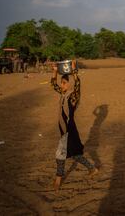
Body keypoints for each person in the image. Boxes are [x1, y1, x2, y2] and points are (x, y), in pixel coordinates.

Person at [51, 60, 98, 190]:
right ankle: (92, 169)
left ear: (69, 84)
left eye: (64, 83)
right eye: (62, 82)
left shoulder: (73, 96)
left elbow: (78, 84)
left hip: (69, 130)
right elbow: (53, 84)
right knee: (76, 154)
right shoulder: (64, 94)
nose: (62, 85)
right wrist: (55, 71)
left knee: (60, 154)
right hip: (66, 130)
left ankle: (58, 180)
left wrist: (74, 71)